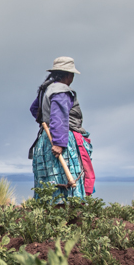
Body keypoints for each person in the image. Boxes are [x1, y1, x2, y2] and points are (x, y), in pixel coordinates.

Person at [28, 56, 95, 200]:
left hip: (46, 139)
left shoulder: (46, 89)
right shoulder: (61, 91)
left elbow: (35, 109)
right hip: (61, 141)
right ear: (69, 75)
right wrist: (59, 143)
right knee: (64, 181)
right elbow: (59, 117)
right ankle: (67, 209)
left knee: (49, 182)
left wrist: (45, 122)